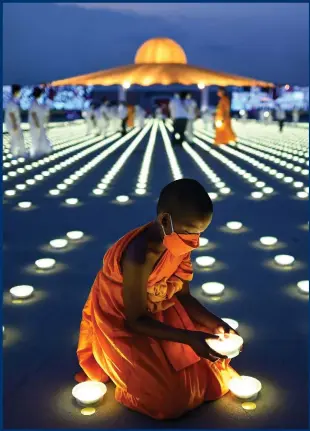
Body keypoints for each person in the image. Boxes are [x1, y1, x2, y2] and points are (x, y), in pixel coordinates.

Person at [75, 178, 240, 420]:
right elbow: (135, 320)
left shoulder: (178, 243)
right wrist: (189, 337)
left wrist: (215, 323)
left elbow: (183, 295)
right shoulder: (139, 256)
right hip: (122, 319)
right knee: (168, 400)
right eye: (189, 232)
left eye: (200, 233)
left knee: (211, 376)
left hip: (160, 309)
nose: (194, 241)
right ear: (165, 220)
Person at [4, 84, 27, 158]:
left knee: (17, 138)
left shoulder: (13, 101)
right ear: (16, 92)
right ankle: (16, 154)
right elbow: (11, 114)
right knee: (16, 138)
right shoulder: (12, 102)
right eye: (19, 92)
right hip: (13, 124)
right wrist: (14, 125)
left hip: (14, 124)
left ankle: (19, 153)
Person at [28, 87, 52, 159]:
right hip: (36, 125)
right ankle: (36, 153)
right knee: (36, 139)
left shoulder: (36, 103)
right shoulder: (34, 103)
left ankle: (40, 152)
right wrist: (37, 124)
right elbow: (33, 114)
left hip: (38, 125)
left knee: (40, 138)